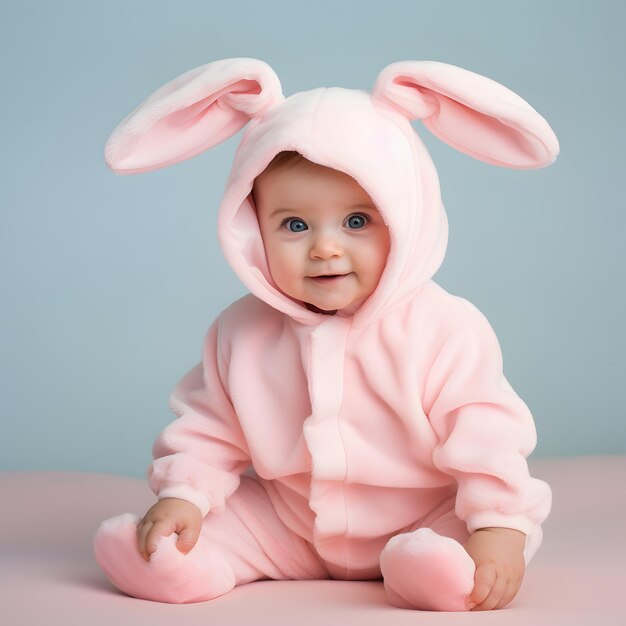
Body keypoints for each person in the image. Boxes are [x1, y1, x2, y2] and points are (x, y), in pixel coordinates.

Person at [93, 57, 559, 611]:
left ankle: (435, 570)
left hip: (421, 516)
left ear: (408, 218)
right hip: (291, 525)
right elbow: (210, 427)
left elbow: (487, 436)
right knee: (217, 524)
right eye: (294, 225)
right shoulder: (242, 330)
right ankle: (178, 564)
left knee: (470, 544)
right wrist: (185, 495)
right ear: (250, 227)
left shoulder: (445, 328)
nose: (325, 248)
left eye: (357, 221)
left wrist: (498, 524)